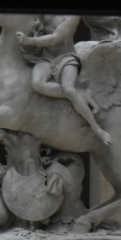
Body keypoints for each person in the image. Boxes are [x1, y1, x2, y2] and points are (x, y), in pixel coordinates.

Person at [17, 15, 113, 146]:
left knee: (69, 89)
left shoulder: (72, 16)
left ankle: (97, 128)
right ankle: (79, 94)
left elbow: (55, 38)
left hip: (66, 58)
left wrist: (28, 40)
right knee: (36, 83)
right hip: (47, 59)